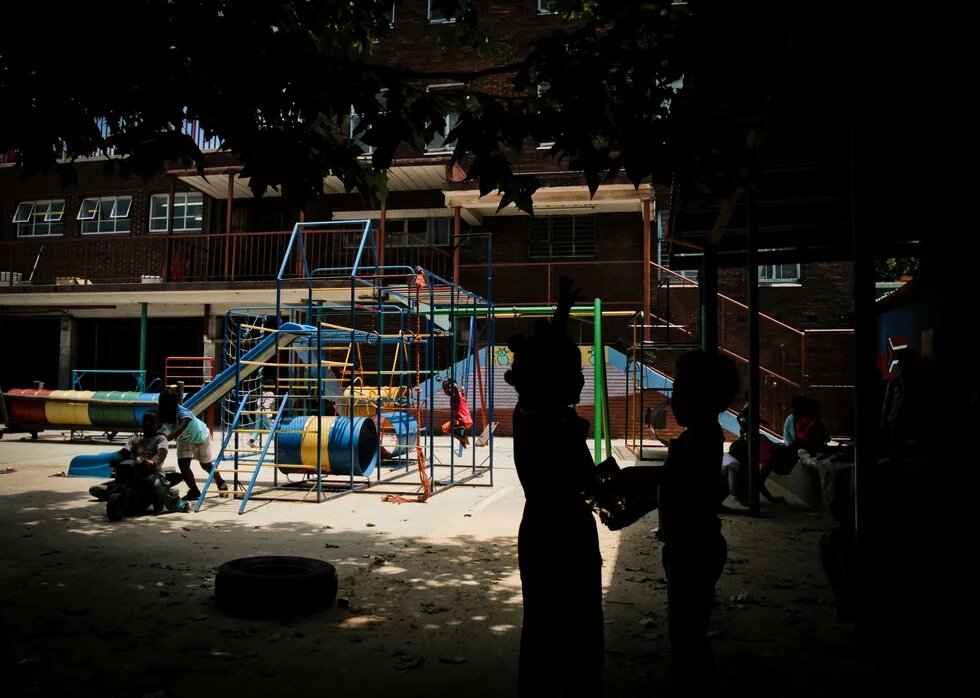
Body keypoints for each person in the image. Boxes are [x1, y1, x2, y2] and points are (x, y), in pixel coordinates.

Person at [606, 350, 739, 692]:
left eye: (680, 391)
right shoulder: (697, 435)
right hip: (689, 544)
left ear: (706, 398)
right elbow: (669, 488)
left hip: (694, 548)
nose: (672, 398)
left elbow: (672, 476)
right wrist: (634, 509)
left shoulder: (704, 437)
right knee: (684, 626)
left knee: (687, 632)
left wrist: (631, 476)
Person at [505, 276, 604, 697]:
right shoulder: (552, 424)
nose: (581, 380)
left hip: (545, 529)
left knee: (545, 622)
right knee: (569, 624)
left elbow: (547, 356)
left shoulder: (535, 409)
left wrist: (562, 311)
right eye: (575, 372)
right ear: (552, 379)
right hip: (561, 534)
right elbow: (589, 482)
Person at [88, 410, 177, 513]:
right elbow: (125, 452)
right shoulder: (135, 440)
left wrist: (152, 462)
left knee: (157, 484)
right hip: (133, 473)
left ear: (158, 425)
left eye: (151, 422)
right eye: (145, 421)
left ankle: (171, 499)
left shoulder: (160, 439)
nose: (147, 424)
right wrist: (117, 459)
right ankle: (120, 497)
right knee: (95, 490)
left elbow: (162, 452)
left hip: (152, 473)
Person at [158, 387, 228, 500]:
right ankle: (194, 491)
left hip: (200, 436)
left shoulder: (184, 414)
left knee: (205, 465)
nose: (164, 406)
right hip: (185, 439)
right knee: (183, 465)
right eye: (162, 404)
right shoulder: (163, 412)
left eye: (167, 404)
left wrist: (166, 439)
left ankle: (220, 482)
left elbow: (181, 428)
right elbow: (158, 426)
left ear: (175, 403)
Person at [441, 378, 473, 449]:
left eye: (447, 389)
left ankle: (462, 438)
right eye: (444, 390)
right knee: (448, 426)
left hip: (462, 420)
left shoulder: (456, 395)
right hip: (467, 420)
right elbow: (461, 394)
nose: (446, 391)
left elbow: (456, 391)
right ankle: (462, 439)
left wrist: (455, 386)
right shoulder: (460, 394)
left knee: (444, 428)